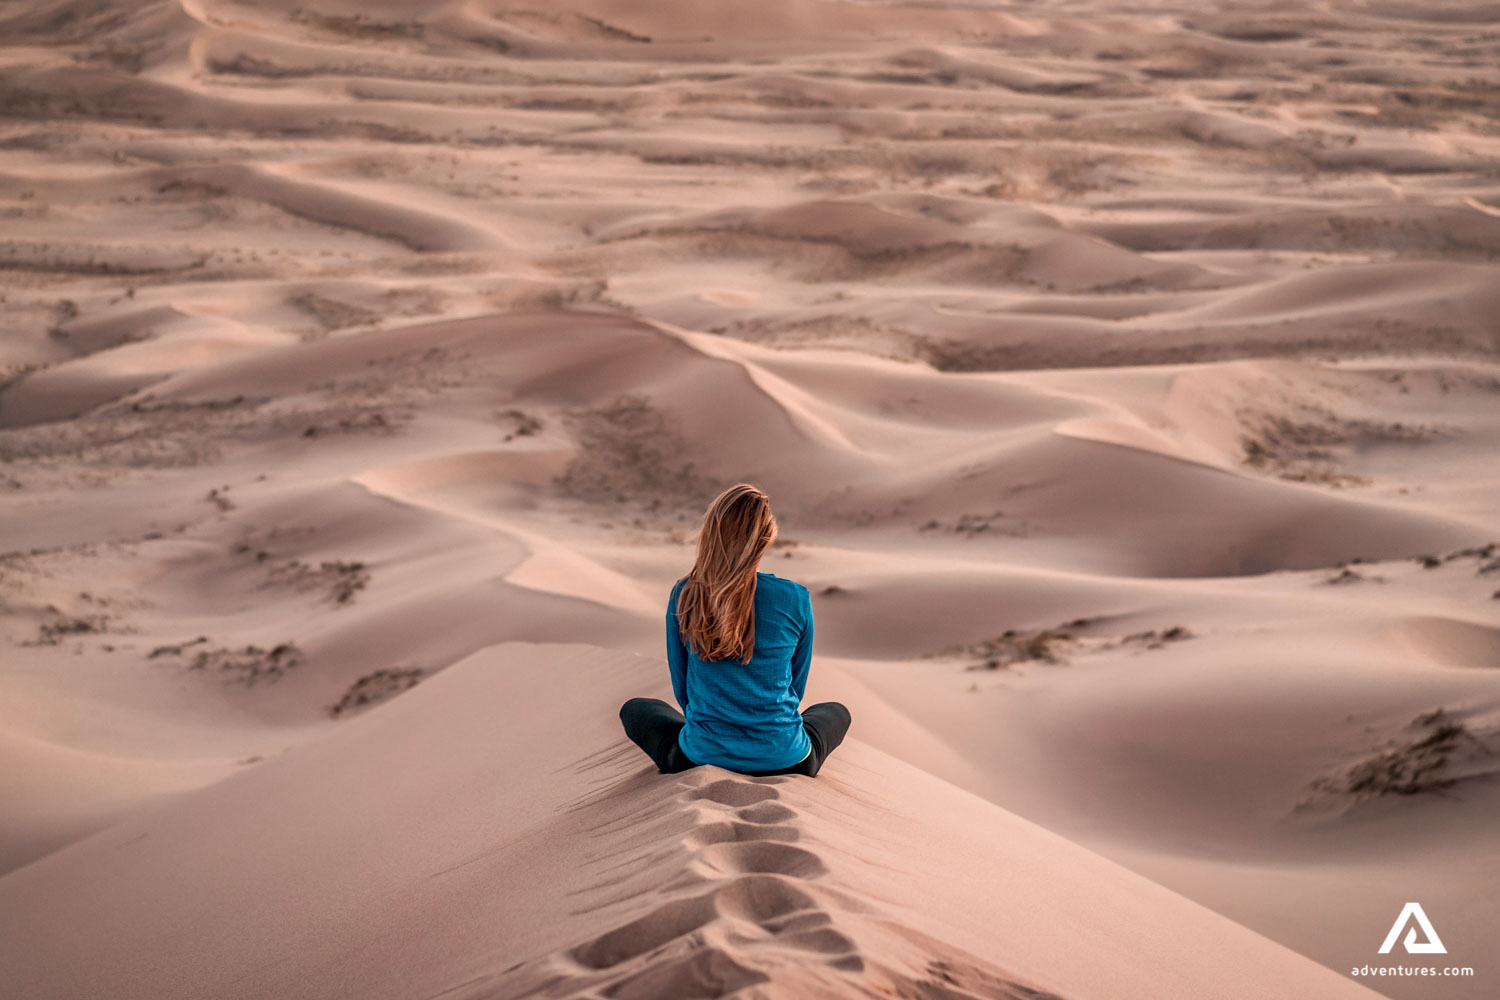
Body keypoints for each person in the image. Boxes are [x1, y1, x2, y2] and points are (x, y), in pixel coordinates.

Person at [620, 483, 851, 777]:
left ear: (710, 533)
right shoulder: (795, 598)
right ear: (766, 537)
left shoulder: (686, 594)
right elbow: (796, 686)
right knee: (835, 711)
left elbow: (683, 689)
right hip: (785, 757)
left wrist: (718, 727)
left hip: (700, 755)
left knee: (637, 709)